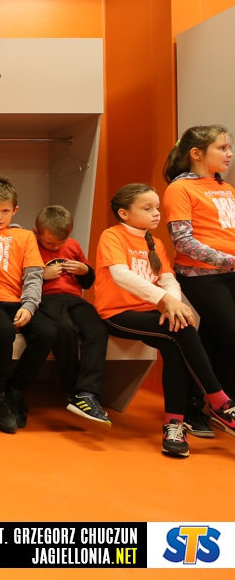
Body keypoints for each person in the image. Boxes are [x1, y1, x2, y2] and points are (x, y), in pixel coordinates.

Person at [94, 183, 235, 457]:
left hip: (150, 311)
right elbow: (121, 275)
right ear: (124, 213)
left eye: (157, 207)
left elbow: (168, 278)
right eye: (148, 208)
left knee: (177, 339)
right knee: (181, 332)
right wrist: (165, 300)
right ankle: (219, 401)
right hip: (117, 313)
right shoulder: (112, 235)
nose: (156, 213)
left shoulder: (155, 243)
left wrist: (174, 304)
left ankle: (174, 424)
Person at [162, 124, 235, 438]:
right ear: (196, 153)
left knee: (217, 340)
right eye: (222, 148)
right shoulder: (180, 189)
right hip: (201, 276)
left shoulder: (226, 188)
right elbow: (183, 242)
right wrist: (230, 260)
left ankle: (204, 407)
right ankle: (211, 406)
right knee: (228, 335)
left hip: (230, 274)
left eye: (229, 148)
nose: (229, 154)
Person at [0, 176, 58, 433]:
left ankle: (16, 388)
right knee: (4, 331)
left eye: (5, 211)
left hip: (17, 301)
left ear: (15, 210)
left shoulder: (24, 236)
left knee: (47, 332)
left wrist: (29, 306)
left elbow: (33, 275)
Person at [34, 205, 110, 425]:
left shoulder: (73, 245)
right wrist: (42, 275)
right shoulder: (30, 245)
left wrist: (85, 271)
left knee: (97, 331)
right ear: (37, 233)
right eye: (50, 243)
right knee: (65, 329)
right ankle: (72, 388)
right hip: (47, 298)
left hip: (75, 298)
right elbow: (19, 279)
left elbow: (88, 282)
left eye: (61, 242)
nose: (56, 247)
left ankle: (87, 393)